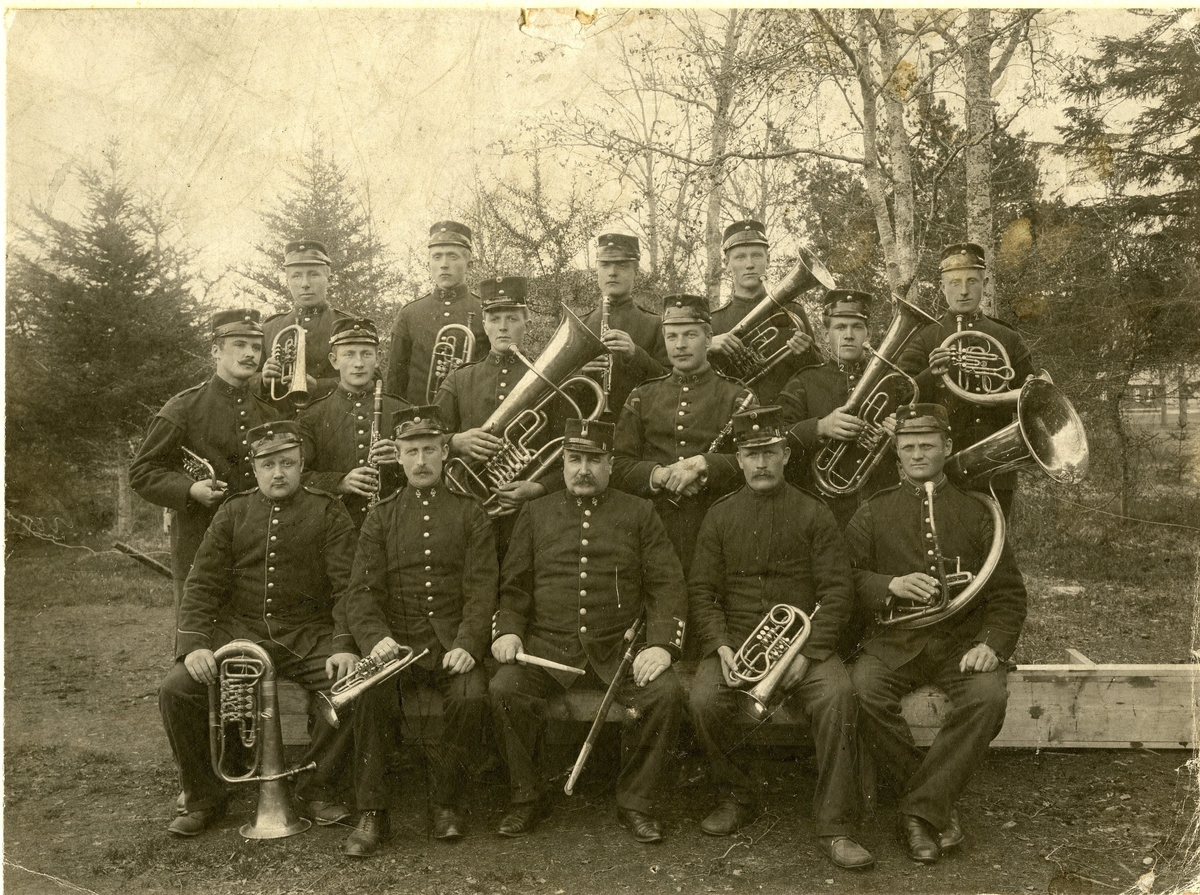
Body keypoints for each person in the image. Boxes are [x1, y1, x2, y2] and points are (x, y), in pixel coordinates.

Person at [687, 406, 872, 869]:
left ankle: (835, 826)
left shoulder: (814, 512)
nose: (761, 463)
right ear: (740, 459)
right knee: (702, 698)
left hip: (803, 649)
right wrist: (722, 645)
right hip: (739, 645)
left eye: (770, 452)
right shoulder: (720, 516)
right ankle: (737, 796)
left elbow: (836, 591)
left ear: (787, 455)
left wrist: (807, 654)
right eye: (752, 454)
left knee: (839, 696)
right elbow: (703, 592)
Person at [158, 421, 362, 839]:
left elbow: (348, 588)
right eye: (268, 464)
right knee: (177, 689)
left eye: (287, 462)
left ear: (303, 463)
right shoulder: (233, 511)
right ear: (254, 467)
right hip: (241, 635)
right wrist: (193, 645)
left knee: (352, 686)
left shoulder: (328, 510)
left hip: (308, 635)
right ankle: (203, 797)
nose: (278, 473)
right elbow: (202, 585)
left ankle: (317, 788)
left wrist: (344, 644)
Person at [489, 418, 687, 843]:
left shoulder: (639, 512)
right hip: (547, 649)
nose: (583, 469)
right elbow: (515, 587)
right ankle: (527, 797)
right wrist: (508, 631)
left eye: (594, 460)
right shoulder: (536, 512)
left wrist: (663, 645)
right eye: (575, 459)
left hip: (619, 651)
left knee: (664, 693)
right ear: (561, 465)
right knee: (506, 688)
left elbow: (667, 585)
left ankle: (636, 802)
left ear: (610, 465)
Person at [845, 404, 1028, 864]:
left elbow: (1008, 594)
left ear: (947, 448)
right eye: (908, 447)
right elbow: (843, 578)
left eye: (927, 445)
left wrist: (992, 644)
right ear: (896, 454)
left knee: (988, 697)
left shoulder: (978, 512)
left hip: (963, 645)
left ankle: (919, 812)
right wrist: (888, 585)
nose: (917, 454)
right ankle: (931, 806)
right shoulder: (872, 512)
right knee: (861, 691)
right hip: (893, 644)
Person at [342, 405, 498, 853]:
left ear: (445, 453)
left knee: (471, 697)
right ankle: (372, 812)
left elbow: (482, 587)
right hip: (397, 647)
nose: (422, 461)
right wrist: (376, 640)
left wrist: (469, 641)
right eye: (411, 452)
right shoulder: (381, 516)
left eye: (430, 449)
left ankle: (446, 802)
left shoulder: (471, 513)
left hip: (452, 644)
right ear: (399, 457)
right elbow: (362, 592)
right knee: (370, 694)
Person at [130, 309, 281, 627]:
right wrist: (190, 489)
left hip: (256, 547)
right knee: (196, 637)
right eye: (239, 344)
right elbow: (142, 472)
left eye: (256, 346)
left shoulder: (268, 414)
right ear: (216, 350)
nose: (250, 353)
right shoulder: (183, 407)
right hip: (198, 543)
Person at [613, 294, 755, 575]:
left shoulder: (738, 396)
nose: (679, 345)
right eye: (671, 336)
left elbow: (759, 462)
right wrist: (660, 475)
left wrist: (704, 464)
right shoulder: (643, 396)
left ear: (708, 338)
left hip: (719, 528)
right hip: (652, 530)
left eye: (690, 334)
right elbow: (616, 465)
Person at [897, 243, 1037, 516]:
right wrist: (931, 375)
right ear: (942, 287)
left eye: (972, 281)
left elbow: (1029, 402)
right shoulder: (925, 337)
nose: (963, 291)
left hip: (996, 467)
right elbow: (898, 394)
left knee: (992, 542)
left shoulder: (1008, 338)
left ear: (984, 283)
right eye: (954, 282)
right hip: (940, 467)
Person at [435, 276, 565, 522]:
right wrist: (454, 441)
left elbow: (568, 447)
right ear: (484, 325)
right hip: (469, 508)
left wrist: (540, 488)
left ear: (527, 323)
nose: (503, 327)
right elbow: (427, 435)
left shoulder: (548, 377)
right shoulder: (460, 378)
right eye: (495, 319)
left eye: (512, 318)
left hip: (535, 511)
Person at [778, 290, 899, 529]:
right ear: (825, 335)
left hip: (882, 505)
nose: (849, 335)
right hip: (822, 510)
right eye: (840, 328)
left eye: (857, 327)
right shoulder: (804, 381)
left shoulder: (890, 381)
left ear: (869, 334)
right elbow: (777, 437)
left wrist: (901, 434)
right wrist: (819, 427)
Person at [295, 317, 408, 530]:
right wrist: (340, 482)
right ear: (334, 360)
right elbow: (298, 476)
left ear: (378, 358)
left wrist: (403, 458)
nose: (358, 363)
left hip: (395, 525)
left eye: (366, 354)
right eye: (349, 354)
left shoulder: (402, 410)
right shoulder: (312, 416)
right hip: (334, 529)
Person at [709, 220, 820, 404]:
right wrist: (706, 348)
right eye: (740, 257)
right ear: (727, 263)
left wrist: (807, 352)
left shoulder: (792, 311)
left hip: (787, 417)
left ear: (767, 260)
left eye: (757, 256)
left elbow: (816, 374)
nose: (749, 264)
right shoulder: (714, 321)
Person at [385, 221, 489, 405]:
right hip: (419, 421)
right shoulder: (409, 314)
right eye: (437, 257)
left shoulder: (485, 311)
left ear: (469, 264)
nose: (444, 265)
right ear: (429, 263)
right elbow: (396, 383)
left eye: (452, 256)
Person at [576, 231, 669, 420]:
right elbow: (552, 389)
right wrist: (579, 372)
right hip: (586, 432)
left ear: (635, 271)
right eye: (605, 265)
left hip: (640, 432)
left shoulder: (656, 325)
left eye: (622, 265)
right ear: (597, 271)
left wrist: (637, 355)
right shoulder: (578, 326)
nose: (612, 272)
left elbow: (672, 384)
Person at [260, 239, 351, 409]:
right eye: (296, 276)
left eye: (313, 274)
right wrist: (262, 379)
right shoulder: (270, 328)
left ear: (329, 279)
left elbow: (373, 380)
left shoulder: (347, 324)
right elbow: (246, 381)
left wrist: (319, 386)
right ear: (288, 283)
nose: (305, 284)